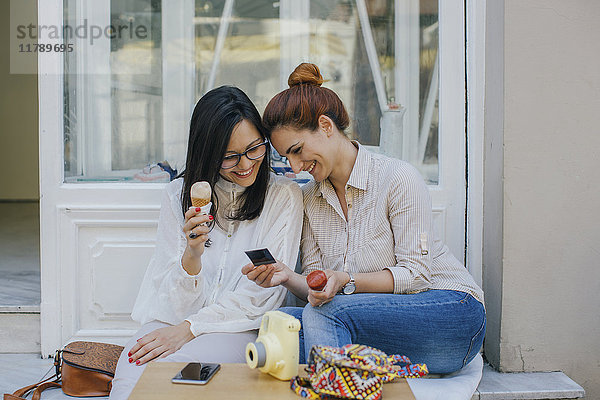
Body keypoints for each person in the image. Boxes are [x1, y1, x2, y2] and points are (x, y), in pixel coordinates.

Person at [242, 63, 485, 374]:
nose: (296, 167)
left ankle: (335, 387)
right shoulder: (308, 200)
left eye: (297, 150)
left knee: (323, 319)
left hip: (451, 313)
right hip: (377, 320)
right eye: (286, 157)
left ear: (326, 126)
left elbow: (416, 277)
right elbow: (321, 293)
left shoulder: (397, 178)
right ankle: (354, 374)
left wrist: (347, 282)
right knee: (279, 326)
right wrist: (288, 276)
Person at [109, 86, 303, 399]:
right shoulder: (177, 196)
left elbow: (260, 298)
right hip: (171, 319)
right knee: (128, 379)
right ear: (209, 154)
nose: (245, 164)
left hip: (239, 328)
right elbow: (171, 300)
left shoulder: (283, 198)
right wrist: (193, 254)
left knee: (170, 374)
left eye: (255, 148)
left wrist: (189, 329)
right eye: (230, 156)